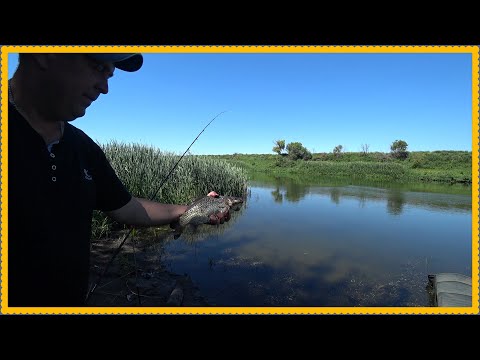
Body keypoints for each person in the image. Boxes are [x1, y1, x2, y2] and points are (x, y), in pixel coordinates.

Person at [7, 53, 230, 307]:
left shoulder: (83, 148)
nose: (105, 88)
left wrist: (192, 210)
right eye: (97, 66)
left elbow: (127, 208)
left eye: (109, 74)